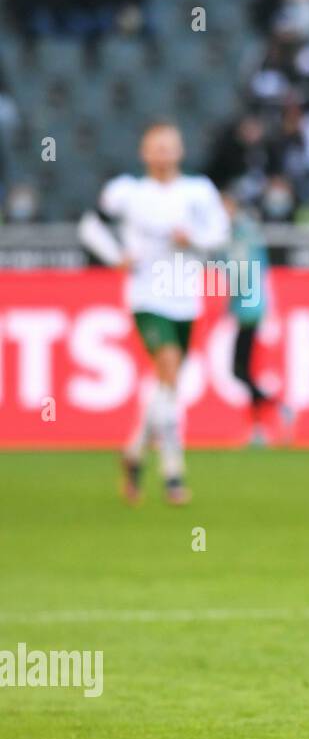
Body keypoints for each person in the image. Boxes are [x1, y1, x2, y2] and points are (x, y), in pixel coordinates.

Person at [79, 121, 230, 505]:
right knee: (168, 366)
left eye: (169, 146)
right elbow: (90, 225)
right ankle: (173, 473)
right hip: (146, 296)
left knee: (168, 384)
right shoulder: (127, 192)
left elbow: (220, 233)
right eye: (155, 146)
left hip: (185, 296)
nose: (162, 153)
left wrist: (191, 238)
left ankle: (132, 452)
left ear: (179, 151)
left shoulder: (198, 191)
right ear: (144, 152)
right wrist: (116, 257)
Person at [221, 192, 293, 446]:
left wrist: (228, 302)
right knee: (244, 370)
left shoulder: (241, 234)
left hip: (248, 309)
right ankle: (259, 429)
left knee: (239, 369)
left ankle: (277, 409)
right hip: (250, 307)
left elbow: (241, 270)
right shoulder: (243, 232)